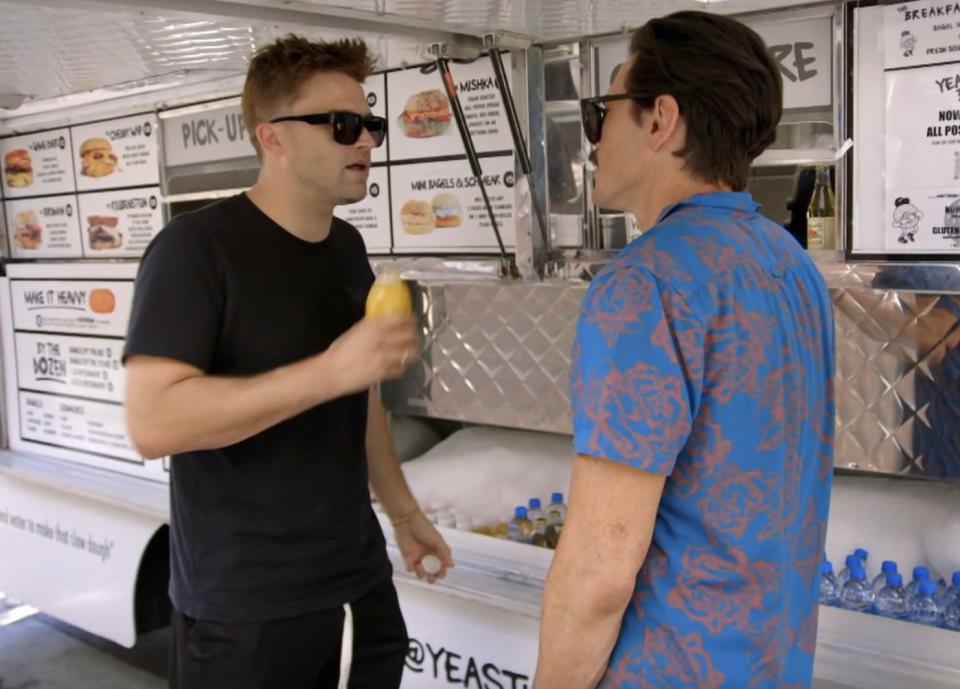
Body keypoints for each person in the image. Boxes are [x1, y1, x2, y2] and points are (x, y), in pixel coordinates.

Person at [123, 35, 453, 689]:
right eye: (343, 126)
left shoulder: (347, 247)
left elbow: (361, 404)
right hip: (243, 610)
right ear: (271, 136)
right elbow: (153, 421)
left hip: (358, 585)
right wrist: (328, 369)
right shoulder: (194, 250)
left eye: (371, 125)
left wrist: (406, 517)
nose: (365, 141)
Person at [535, 11, 835, 689]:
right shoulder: (791, 265)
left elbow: (600, 568)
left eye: (602, 111)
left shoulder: (642, 285)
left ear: (659, 119)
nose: (594, 138)